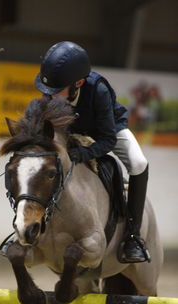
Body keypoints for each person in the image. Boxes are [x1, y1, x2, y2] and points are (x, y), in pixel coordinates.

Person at [34, 41, 150, 263]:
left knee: (138, 163)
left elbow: (107, 140)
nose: (50, 96)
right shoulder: (51, 94)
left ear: (78, 82)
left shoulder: (99, 90)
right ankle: (29, 228)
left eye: (57, 91)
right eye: (48, 91)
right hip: (72, 132)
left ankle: (133, 237)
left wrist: (81, 154)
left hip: (107, 130)